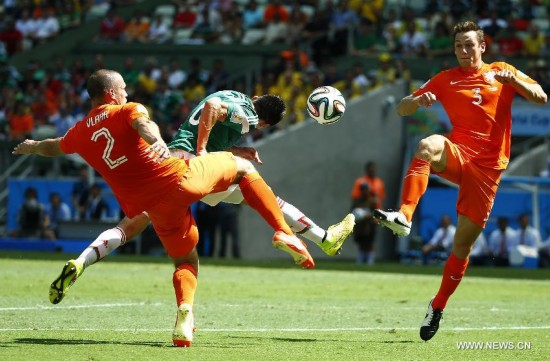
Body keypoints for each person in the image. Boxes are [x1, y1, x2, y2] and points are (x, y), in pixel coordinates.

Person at [12, 69, 317, 348]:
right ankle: (283, 231)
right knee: (242, 167)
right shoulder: (127, 110)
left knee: (185, 261)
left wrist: (33, 146)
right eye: (123, 88)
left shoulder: (79, 132)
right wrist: (157, 141)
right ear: (111, 94)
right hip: (177, 177)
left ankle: (185, 314)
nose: (127, 92)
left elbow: (53, 146)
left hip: (150, 205)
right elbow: (143, 124)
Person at [56, 89, 355, 294]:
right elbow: (214, 112)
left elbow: (211, 110)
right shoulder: (247, 115)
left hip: (168, 163)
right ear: (262, 121)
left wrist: (236, 148)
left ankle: (84, 259)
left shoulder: (234, 95)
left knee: (134, 221)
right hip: (192, 166)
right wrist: (202, 151)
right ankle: (299, 235)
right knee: (261, 193)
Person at [373, 21, 547, 342]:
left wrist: (517, 83)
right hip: (457, 153)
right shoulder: (444, 79)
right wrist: (416, 102)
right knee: (426, 145)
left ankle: (437, 306)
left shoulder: (502, 71)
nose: (464, 51)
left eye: (469, 45)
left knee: (461, 246)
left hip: (488, 171)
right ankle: (405, 215)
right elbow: (401, 108)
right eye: (458, 46)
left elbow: (541, 97)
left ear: (482, 46)